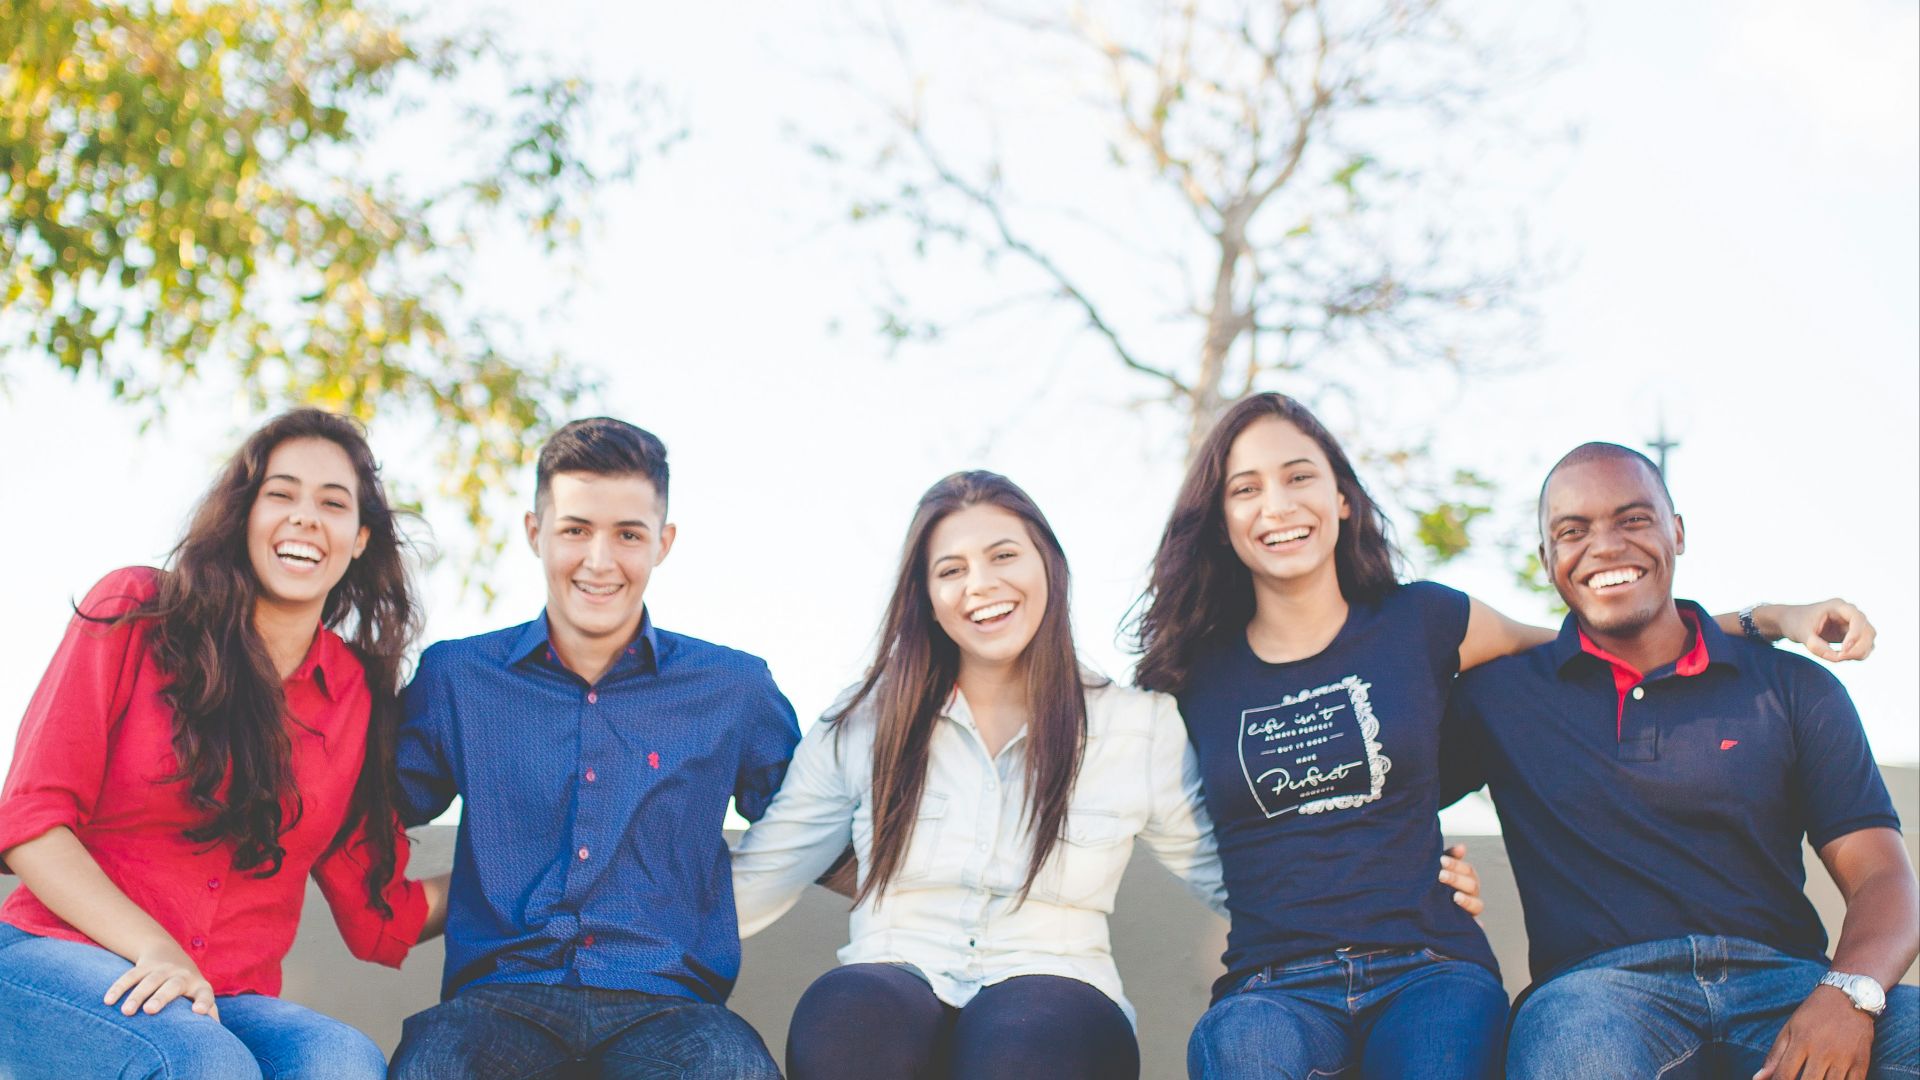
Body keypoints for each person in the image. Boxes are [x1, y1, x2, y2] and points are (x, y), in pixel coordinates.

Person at [1131, 393, 1871, 1080]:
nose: (1279, 505)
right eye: (1246, 488)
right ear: (1222, 516)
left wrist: (1769, 619)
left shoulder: (1425, 621)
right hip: (1270, 978)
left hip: (1428, 965)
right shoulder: (1192, 673)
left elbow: (1589, 640)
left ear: (1342, 498)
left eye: (1300, 477)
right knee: (1237, 1048)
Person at [729, 470, 1487, 1080]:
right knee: (851, 1015)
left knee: (1024, 1040)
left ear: (1048, 567)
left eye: (1003, 556)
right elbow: (758, 878)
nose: (980, 585)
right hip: (894, 964)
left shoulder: (1134, 726)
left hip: (1056, 980)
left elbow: (1247, 874)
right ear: (926, 597)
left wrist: (1402, 879)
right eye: (950, 569)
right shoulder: (863, 722)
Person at [1442, 441, 1917, 1079]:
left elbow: (1883, 878)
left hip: (1786, 986)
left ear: (1678, 532)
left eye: (1633, 519)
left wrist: (1848, 995)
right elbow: (1370, 799)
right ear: (1548, 558)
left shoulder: (1790, 686)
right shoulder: (1500, 696)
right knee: (1577, 1051)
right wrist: (1431, 872)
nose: (1605, 546)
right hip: (1598, 996)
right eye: (1572, 530)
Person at [0, 409, 447, 1080]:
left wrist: (525, 870)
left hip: (223, 997)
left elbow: (380, 914)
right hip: (53, 955)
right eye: (281, 493)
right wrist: (155, 948)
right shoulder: (136, 611)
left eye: (331, 503)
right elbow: (31, 823)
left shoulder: (353, 695)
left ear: (357, 540)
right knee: (203, 1062)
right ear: (244, 515)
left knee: (344, 1063)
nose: (304, 517)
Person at [387, 417, 796, 1080]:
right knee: (434, 1067)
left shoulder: (734, 688)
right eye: (575, 529)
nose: (599, 561)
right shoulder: (458, 677)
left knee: (734, 1068)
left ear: (662, 543)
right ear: (534, 533)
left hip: (671, 1008)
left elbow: (814, 822)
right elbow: (360, 811)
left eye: (628, 535)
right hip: (498, 1000)